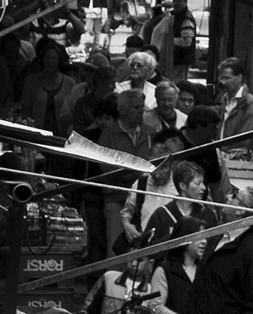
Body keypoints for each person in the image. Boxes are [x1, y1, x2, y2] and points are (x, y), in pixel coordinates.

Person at [98, 89, 156, 257]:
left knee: (145, 249)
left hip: (146, 197)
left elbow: (156, 165)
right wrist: (139, 172)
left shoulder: (151, 133)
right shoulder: (108, 136)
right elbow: (108, 171)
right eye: (136, 107)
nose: (141, 111)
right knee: (115, 251)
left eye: (142, 107)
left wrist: (129, 170)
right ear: (122, 110)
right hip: (116, 197)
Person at [118, 134, 184, 248]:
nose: (157, 175)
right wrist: (126, 224)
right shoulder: (141, 184)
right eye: (153, 169)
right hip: (145, 245)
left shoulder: (180, 185)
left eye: (163, 168)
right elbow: (127, 212)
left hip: (173, 245)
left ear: (170, 164)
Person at [75, 95, 120, 263]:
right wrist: (80, 193)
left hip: (114, 192)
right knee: (96, 237)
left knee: (112, 238)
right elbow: (79, 167)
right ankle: (94, 277)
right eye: (99, 117)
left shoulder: (118, 137)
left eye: (107, 118)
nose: (102, 121)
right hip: (93, 193)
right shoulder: (88, 136)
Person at [144, 160, 219, 243]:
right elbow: (149, 249)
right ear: (182, 186)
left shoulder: (207, 214)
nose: (203, 187)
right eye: (198, 183)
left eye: (203, 183)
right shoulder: (161, 215)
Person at [20, 42, 76, 135]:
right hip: (36, 134)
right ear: (42, 60)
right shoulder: (31, 80)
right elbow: (25, 109)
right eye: (47, 58)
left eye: (54, 58)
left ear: (59, 60)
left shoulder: (69, 83)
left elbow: (73, 112)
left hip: (62, 135)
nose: (51, 61)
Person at [179, 105, 227, 203]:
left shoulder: (209, 147)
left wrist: (221, 214)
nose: (216, 132)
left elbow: (215, 186)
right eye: (213, 128)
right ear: (199, 127)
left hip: (199, 206)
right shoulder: (174, 143)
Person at [214, 57, 253, 151]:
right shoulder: (223, 99)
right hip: (220, 153)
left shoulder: (249, 102)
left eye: (228, 78)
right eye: (221, 78)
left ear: (239, 77)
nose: (223, 82)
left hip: (236, 155)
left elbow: (246, 136)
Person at [59, 53, 113, 136]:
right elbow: (63, 117)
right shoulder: (77, 90)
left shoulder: (115, 95)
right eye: (86, 70)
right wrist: (78, 112)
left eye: (92, 71)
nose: (87, 73)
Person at [169, 0, 197, 82]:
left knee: (178, 84)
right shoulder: (174, 16)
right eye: (173, 0)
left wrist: (169, 41)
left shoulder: (186, 19)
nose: (175, 3)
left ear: (185, 2)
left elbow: (186, 41)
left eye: (179, 1)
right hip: (175, 60)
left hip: (182, 60)